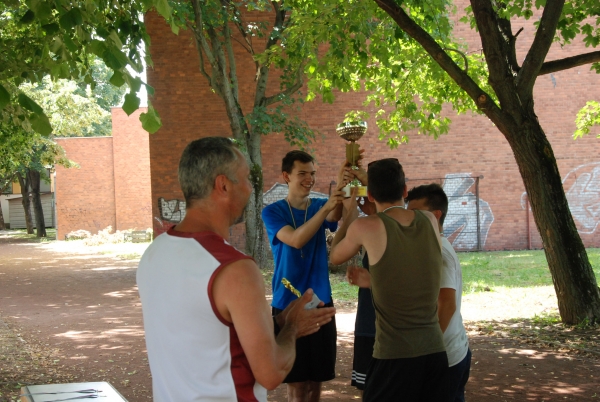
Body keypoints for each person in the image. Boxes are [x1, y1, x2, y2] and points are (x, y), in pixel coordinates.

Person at [136, 137, 336, 402]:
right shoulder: (234, 269)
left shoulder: (154, 253)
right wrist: (292, 328)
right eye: (246, 179)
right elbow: (272, 372)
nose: (250, 189)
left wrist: (278, 322)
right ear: (223, 185)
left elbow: (206, 332)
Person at [329, 158, 448, 401]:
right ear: (405, 190)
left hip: (394, 355)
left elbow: (335, 256)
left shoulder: (367, 227)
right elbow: (409, 273)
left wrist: (350, 210)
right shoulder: (429, 220)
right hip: (435, 351)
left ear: (371, 195)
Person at [262, 150, 345, 402]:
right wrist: (326, 206)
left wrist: (342, 182)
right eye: (303, 174)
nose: (310, 179)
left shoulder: (319, 206)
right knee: (297, 385)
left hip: (320, 302)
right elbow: (296, 240)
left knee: (315, 384)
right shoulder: (273, 212)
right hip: (288, 304)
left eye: (313, 174)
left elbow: (335, 215)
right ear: (286, 176)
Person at [406, 183, 471, 402]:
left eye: (416, 213)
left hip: (445, 358)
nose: (409, 219)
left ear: (436, 215)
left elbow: (447, 304)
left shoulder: (438, 251)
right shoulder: (430, 246)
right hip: (451, 353)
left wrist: (427, 351)